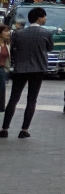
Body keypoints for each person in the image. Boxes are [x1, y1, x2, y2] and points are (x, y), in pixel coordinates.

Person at [2, 7, 53, 137]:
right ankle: (24, 129)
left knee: (14, 98)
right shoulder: (46, 33)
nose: (45, 19)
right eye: (44, 17)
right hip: (37, 69)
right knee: (32, 99)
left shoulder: (18, 33)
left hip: (20, 68)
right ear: (39, 18)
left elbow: (13, 48)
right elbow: (50, 47)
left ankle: (5, 128)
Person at [0, 25, 10, 112]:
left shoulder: (7, 44)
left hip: (2, 70)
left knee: (1, 90)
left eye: (8, 31)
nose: (8, 33)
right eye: (6, 31)